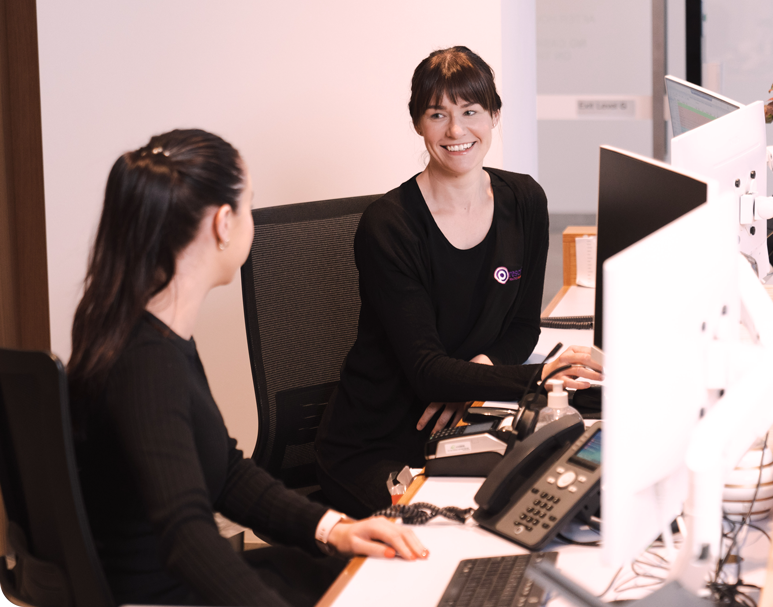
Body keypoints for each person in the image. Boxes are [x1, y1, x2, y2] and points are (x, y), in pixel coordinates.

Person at [68, 129, 426, 607]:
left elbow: (226, 472)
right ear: (222, 223)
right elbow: (186, 538)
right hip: (168, 596)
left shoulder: (149, 332)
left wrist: (335, 529)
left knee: (364, 572)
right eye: (248, 205)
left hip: (183, 584)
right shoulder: (146, 364)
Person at [315, 46, 603, 518]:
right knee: (441, 533)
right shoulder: (389, 225)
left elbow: (521, 327)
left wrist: (475, 378)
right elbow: (426, 370)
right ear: (417, 124)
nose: (456, 131)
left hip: (466, 423)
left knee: (536, 506)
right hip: (377, 443)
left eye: (470, 112)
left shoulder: (525, 200)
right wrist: (541, 377)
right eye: (437, 115)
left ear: (493, 116)